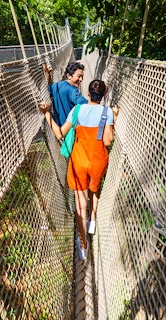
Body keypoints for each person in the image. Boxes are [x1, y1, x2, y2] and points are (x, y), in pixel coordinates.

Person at [40, 80, 119, 261]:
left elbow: (60, 133)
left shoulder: (77, 110)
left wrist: (46, 114)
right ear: (104, 95)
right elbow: (107, 141)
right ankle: (93, 220)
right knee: (94, 189)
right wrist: (113, 120)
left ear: (88, 94)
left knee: (80, 204)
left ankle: (83, 245)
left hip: (79, 162)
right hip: (98, 161)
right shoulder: (107, 112)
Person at [44, 62, 88, 127]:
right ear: (69, 76)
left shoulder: (56, 85)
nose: (81, 79)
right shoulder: (72, 91)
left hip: (58, 127)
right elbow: (87, 105)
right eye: (79, 76)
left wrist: (47, 74)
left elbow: (46, 91)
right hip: (71, 129)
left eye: (82, 76)